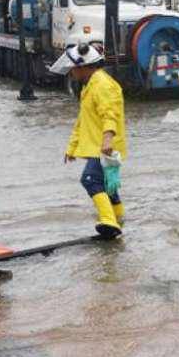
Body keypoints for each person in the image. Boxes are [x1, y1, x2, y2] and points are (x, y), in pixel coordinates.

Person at [51, 43, 127, 239]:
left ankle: (109, 221)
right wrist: (72, 147)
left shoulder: (102, 84)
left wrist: (108, 139)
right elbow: (82, 120)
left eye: (73, 69)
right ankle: (118, 217)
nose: (71, 73)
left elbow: (110, 113)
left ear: (83, 67)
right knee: (108, 186)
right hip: (98, 144)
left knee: (90, 180)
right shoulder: (90, 85)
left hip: (104, 145)